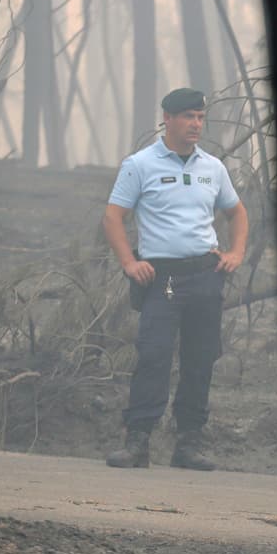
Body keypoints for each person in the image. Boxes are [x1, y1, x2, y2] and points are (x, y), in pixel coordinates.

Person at [102, 88, 248, 470]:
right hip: (160, 278)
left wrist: (235, 254)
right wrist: (129, 263)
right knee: (153, 357)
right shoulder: (140, 164)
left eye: (200, 117)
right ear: (167, 118)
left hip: (205, 276)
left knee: (200, 360)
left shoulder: (212, 168)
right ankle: (138, 441)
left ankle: (189, 443)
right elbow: (114, 217)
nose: (195, 124)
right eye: (187, 117)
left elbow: (236, 213)